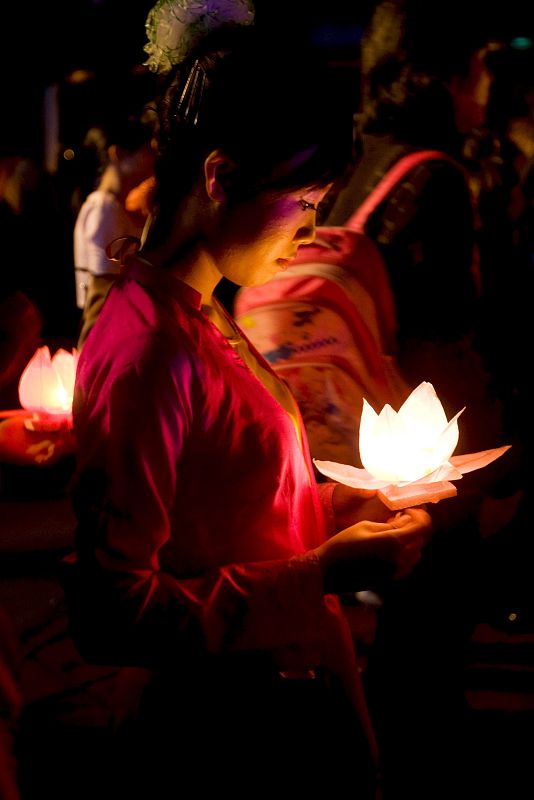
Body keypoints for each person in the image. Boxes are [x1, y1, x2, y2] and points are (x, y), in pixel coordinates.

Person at [60, 2, 432, 797]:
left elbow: (229, 510)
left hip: (273, 705)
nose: (310, 232)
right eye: (304, 200)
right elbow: (110, 608)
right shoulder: (146, 344)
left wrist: (343, 512)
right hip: (217, 740)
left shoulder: (201, 313)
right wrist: (317, 575)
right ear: (221, 176)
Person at [73, 115, 156, 348]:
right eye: (147, 151)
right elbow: (102, 290)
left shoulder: (115, 208)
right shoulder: (103, 209)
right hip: (108, 335)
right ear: (117, 154)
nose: (153, 159)